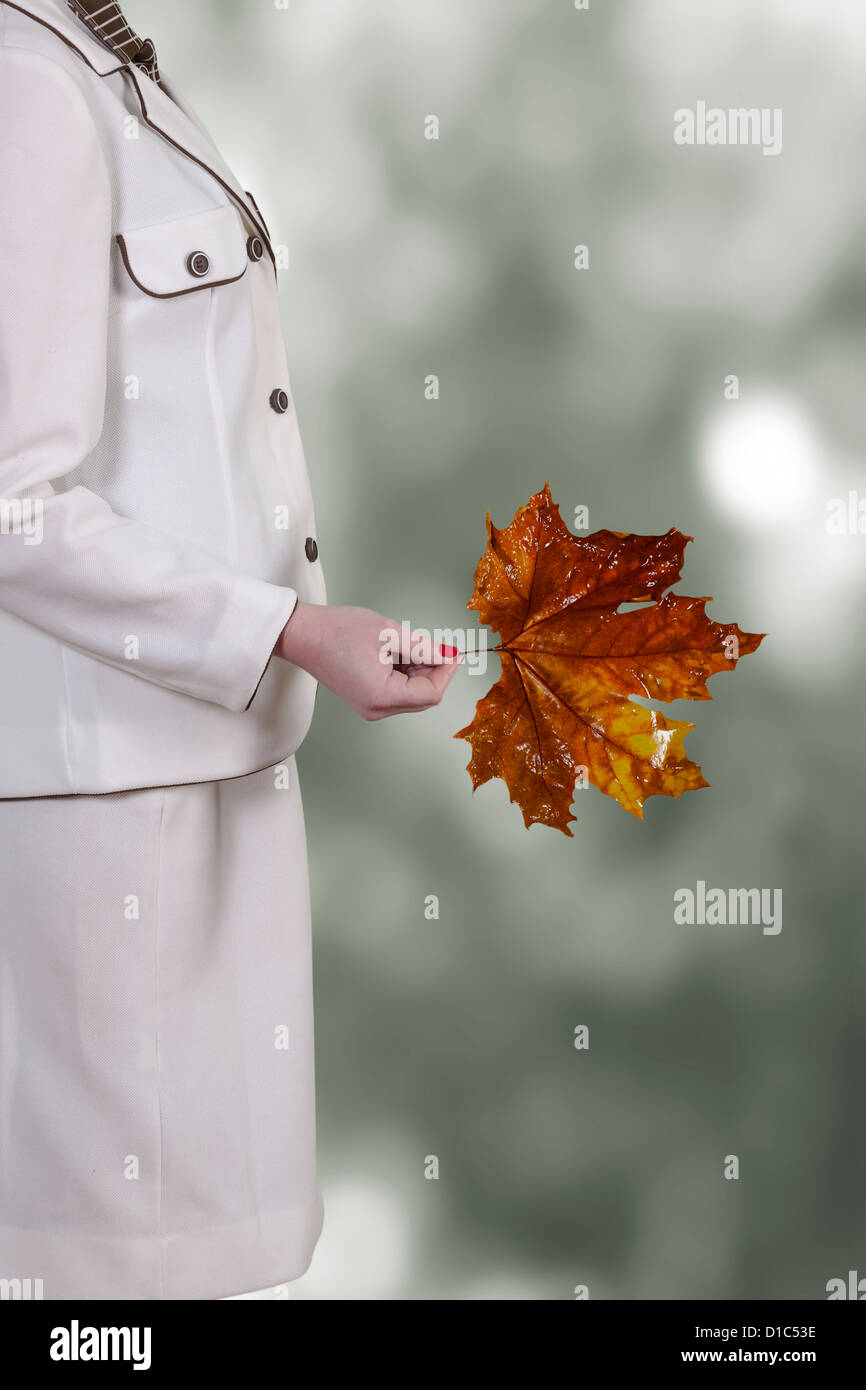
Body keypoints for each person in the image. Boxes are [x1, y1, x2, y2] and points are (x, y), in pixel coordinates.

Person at [0, 0, 459, 1300]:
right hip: (106, 797)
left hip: (207, 759)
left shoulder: (106, 61)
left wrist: (293, 640)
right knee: (98, 1294)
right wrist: (291, 632)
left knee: (203, 1264)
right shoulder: (27, 86)